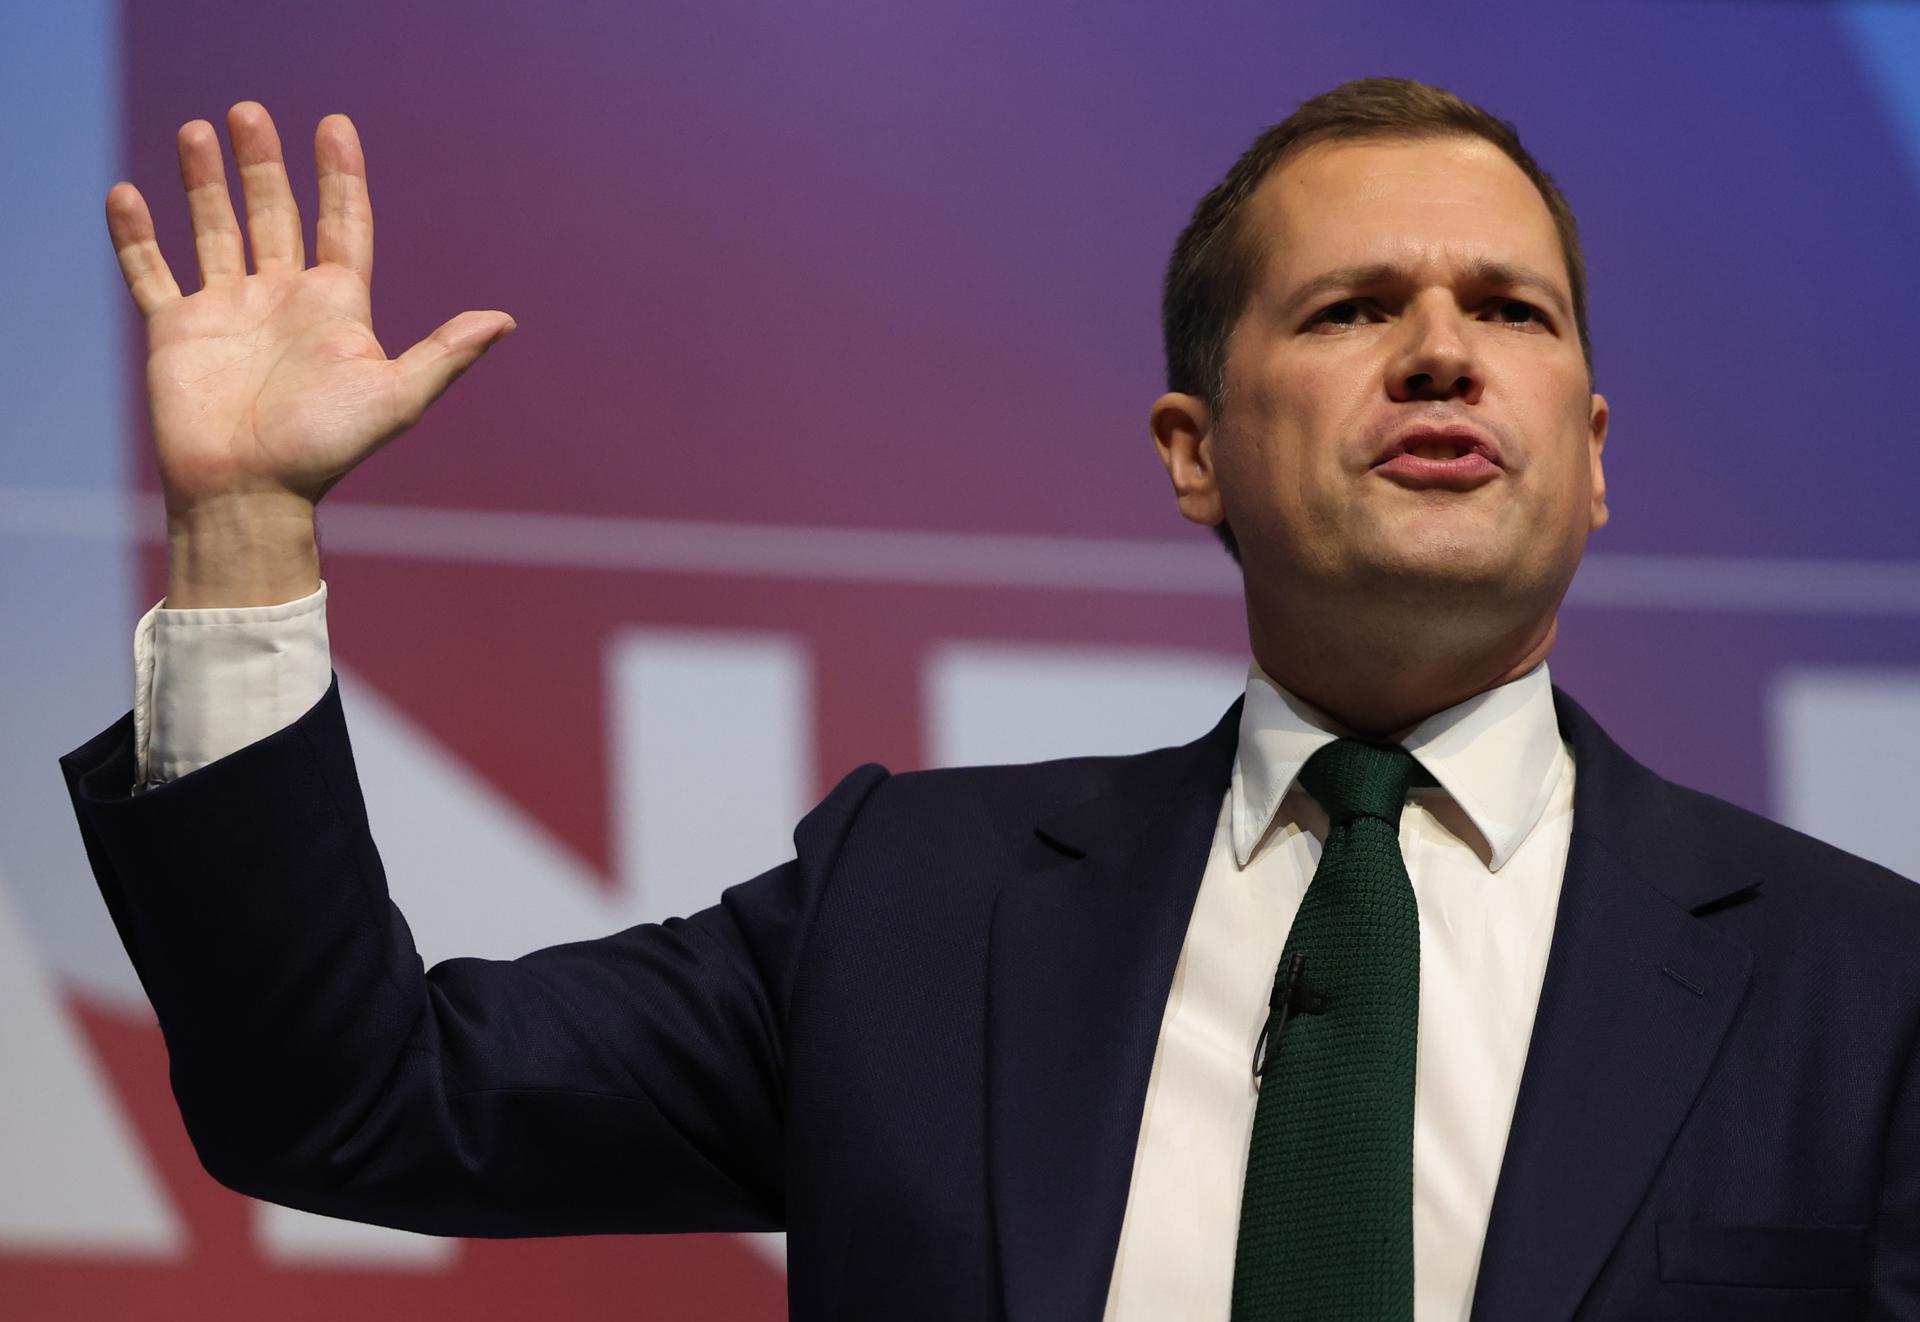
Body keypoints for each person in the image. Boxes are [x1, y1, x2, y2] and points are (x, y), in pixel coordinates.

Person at [60, 77, 1920, 1320]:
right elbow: (355, 1099)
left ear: (1592, 457)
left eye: (1512, 310)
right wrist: (240, 529)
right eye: (1352, 306)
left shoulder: (1867, 984)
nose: (1442, 346)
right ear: (1193, 452)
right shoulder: (914, 906)